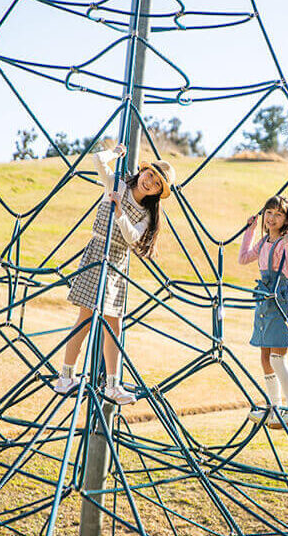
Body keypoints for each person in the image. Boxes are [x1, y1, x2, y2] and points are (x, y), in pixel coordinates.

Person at [53, 144, 175, 405]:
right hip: (99, 252)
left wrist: (119, 210)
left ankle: (112, 385)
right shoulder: (116, 184)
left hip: (118, 261)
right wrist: (116, 153)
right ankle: (65, 376)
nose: (149, 182)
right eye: (150, 175)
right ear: (143, 171)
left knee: (114, 325)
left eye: (155, 184)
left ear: (157, 193)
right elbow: (98, 160)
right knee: (85, 318)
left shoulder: (146, 214)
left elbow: (132, 237)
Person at [238, 195, 288, 429]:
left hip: (281, 300)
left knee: (278, 358)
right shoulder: (264, 241)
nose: (272, 217)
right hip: (265, 300)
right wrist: (250, 231)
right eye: (269, 212)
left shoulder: (286, 242)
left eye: (278, 214)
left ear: (287, 219)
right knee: (265, 357)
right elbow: (244, 258)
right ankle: (275, 407)